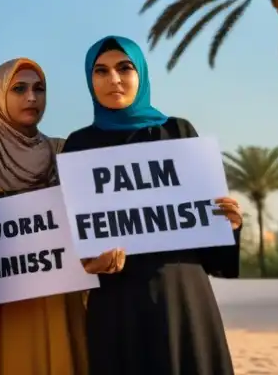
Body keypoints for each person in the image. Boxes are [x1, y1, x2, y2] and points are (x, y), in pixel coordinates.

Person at [62, 35, 244, 375]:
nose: (113, 79)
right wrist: (89, 263)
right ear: (90, 80)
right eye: (100, 71)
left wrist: (229, 225)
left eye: (124, 68)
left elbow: (210, 245)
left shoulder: (177, 131)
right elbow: (72, 237)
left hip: (182, 298)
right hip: (118, 303)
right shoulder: (78, 145)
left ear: (141, 74)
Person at [0, 58, 88, 375]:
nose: (32, 97)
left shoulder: (67, 153)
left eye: (39, 89)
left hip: (64, 297)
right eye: (19, 89)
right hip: (7, 309)